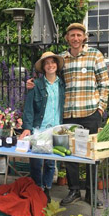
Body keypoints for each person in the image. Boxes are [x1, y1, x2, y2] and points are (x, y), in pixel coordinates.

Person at [27, 23, 109, 208]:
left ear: (84, 37)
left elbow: (104, 83)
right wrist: (33, 84)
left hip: (90, 112)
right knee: (70, 154)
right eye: (72, 35)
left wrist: (101, 108)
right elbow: (52, 78)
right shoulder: (62, 59)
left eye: (79, 35)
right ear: (67, 38)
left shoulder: (95, 55)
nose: (75, 38)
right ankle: (74, 190)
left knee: (89, 154)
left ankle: (90, 192)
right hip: (69, 114)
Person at [20, 51, 65, 203]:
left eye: (53, 62)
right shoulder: (36, 84)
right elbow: (28, 108)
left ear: (57, 65)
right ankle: (36, 188)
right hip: (40, 129)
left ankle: (46, 188)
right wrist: (27, 127)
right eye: (47, 63)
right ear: (43, 67)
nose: (50, 65)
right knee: (37, 162)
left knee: (51, 162)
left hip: (58, 129)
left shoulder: (62, 84)